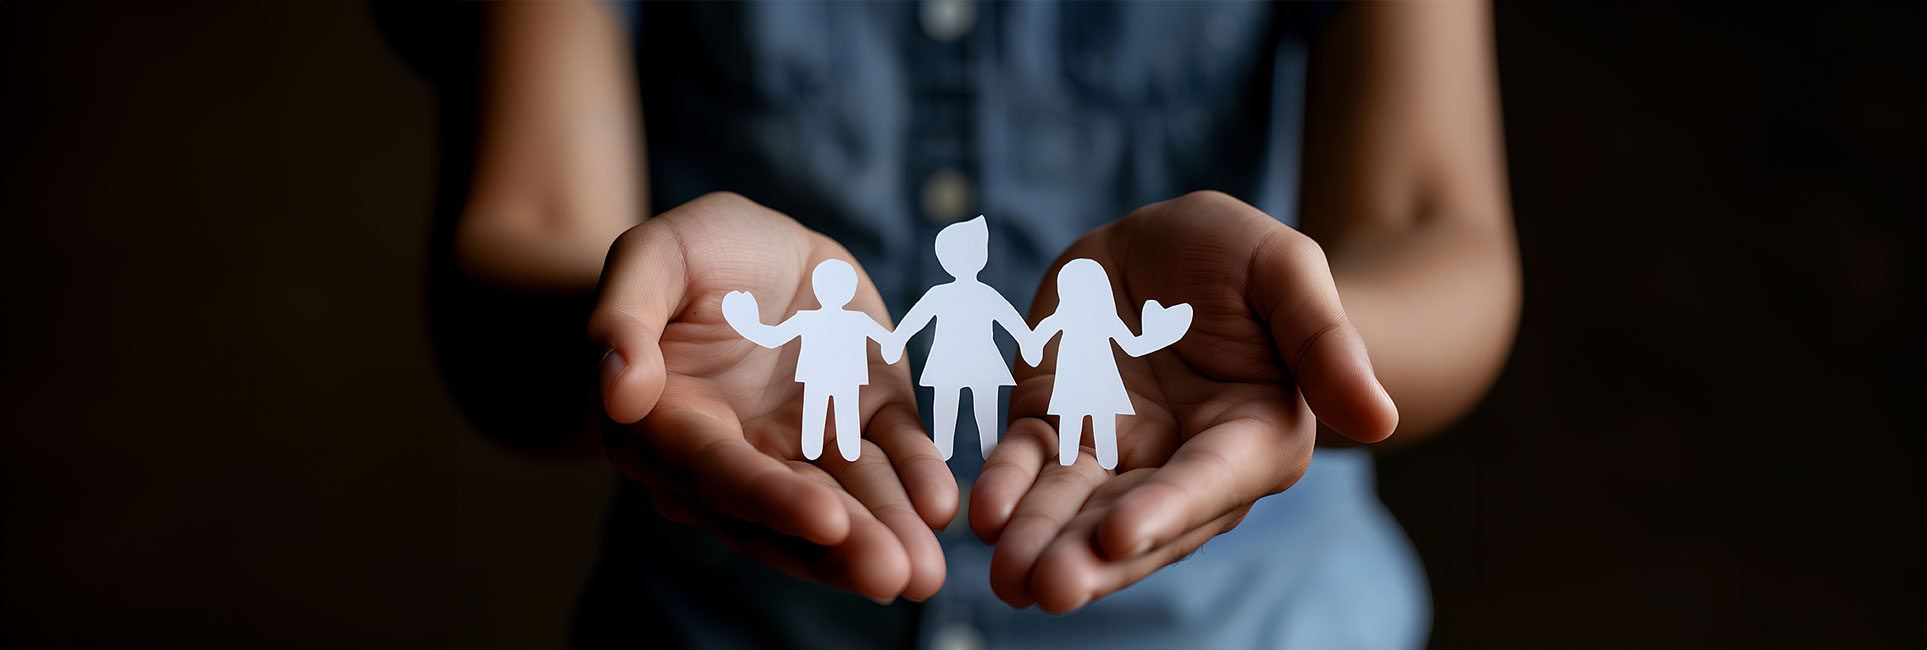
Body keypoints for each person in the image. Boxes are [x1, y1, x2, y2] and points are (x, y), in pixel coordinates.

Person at [434, 1, 1520, 647]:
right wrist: (642, 321)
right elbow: (522, 241)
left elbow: (1436, 232)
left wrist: (1292, 334)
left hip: (1253, 628)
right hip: (723, 626)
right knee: (934, 406)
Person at [722, 259, 903, 462]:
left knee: (834, 415)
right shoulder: (852, 319)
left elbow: (772, 337)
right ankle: (826, 448)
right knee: (832, 415)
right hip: (833, 377)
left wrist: (750, 324)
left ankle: (831, 448)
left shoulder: (831, 319)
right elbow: (890, 341)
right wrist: (748, 325)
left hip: (832, 377)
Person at [887, 216, 1034, 462]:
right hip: (955, 361)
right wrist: (896, 340)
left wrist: (1028, 341)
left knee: (977, 403)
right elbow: (915, 320)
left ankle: (985, 446)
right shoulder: (949, 295)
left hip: (971, 361)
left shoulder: (979, 294)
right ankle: (945, 446)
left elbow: (1011, 320)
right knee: (950, 402)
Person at [1020, 258, 1191, 470]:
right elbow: (1037, 338)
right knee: (1075, 415)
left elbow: (1133, 346)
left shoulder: (1105, 319)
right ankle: (1069, 454)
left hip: (1096, 380)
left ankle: (1099, 457)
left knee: (1099, 416)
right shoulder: (1067, 317)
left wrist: (1159, 335)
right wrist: (1031, 347)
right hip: (1074, 380)